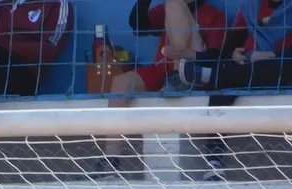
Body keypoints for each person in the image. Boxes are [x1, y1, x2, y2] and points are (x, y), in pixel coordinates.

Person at [94, 0, 227, 179]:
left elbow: (215, 57)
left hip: (194, 68)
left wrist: (185, 53)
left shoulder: (215, 14)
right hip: (163, 69)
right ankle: (111, 161)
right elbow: (139, 27)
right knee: (120, 83)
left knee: (173, 2)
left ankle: (177, 72)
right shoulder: (168, 7)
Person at [179, 0, 292, 92]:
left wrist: (268, 55)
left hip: (282, 68)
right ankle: (205, 71)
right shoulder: (250, 9)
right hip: (248, 63)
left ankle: (211, 76)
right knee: (229, 62)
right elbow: (229, 48)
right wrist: (235, 55)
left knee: (281, 64)